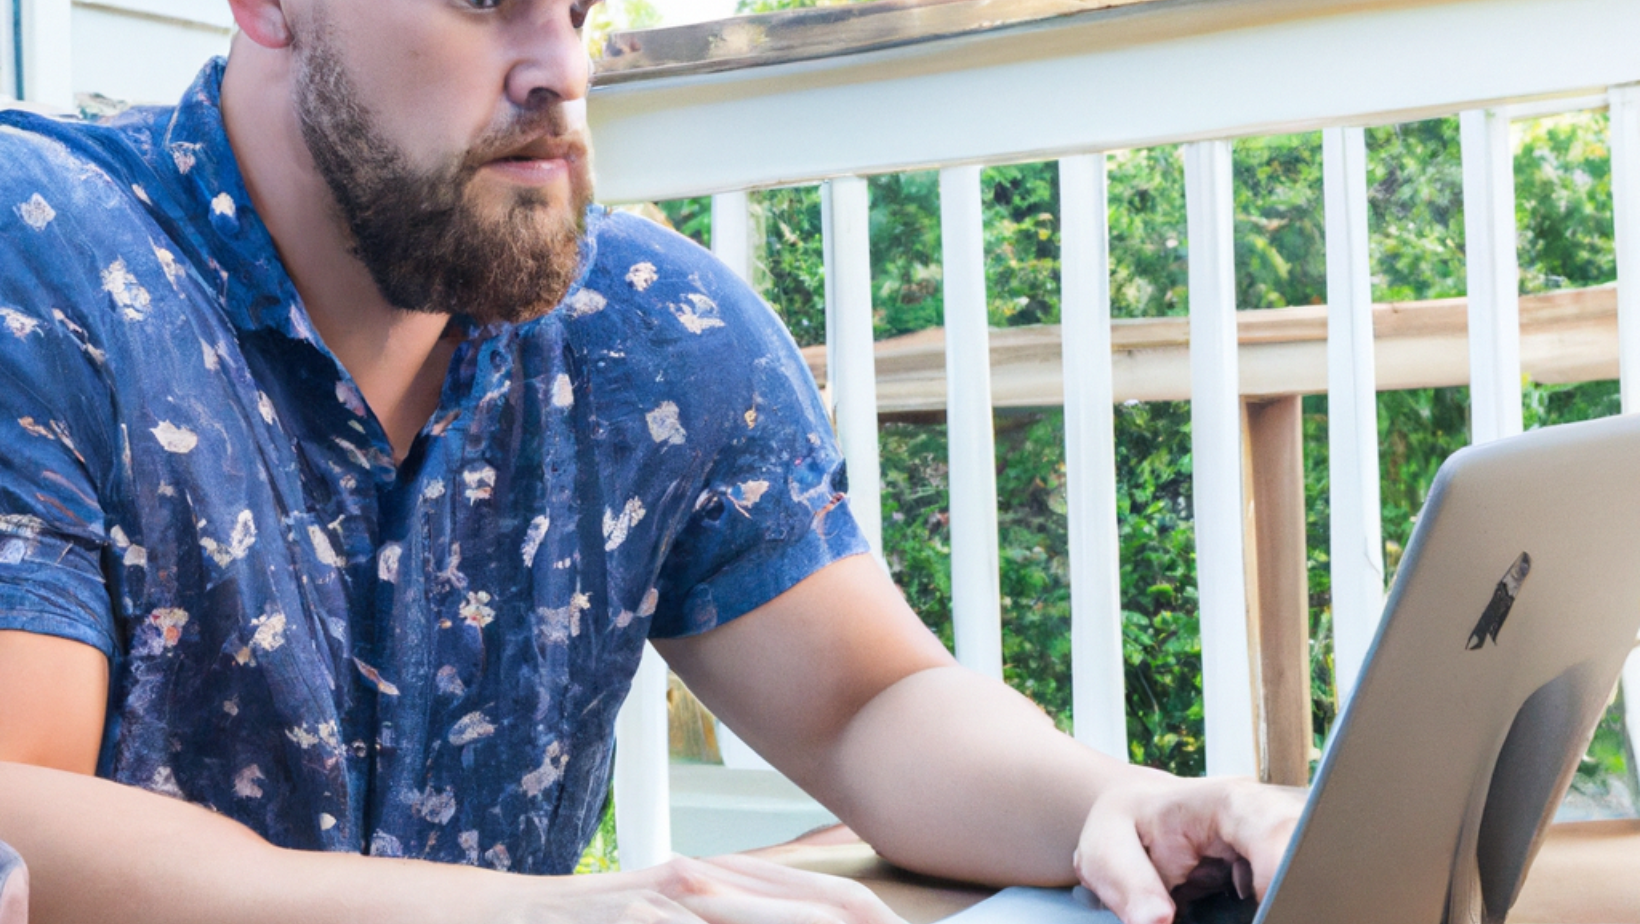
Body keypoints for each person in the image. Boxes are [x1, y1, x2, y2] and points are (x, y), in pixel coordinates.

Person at [0, 1, 1303, 921]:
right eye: (486, 0)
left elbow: (868, 704)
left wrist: (1118, 807)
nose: (558, 69)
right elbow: (15, 821)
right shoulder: (43, 255)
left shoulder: (649, 331)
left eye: (573, 6)